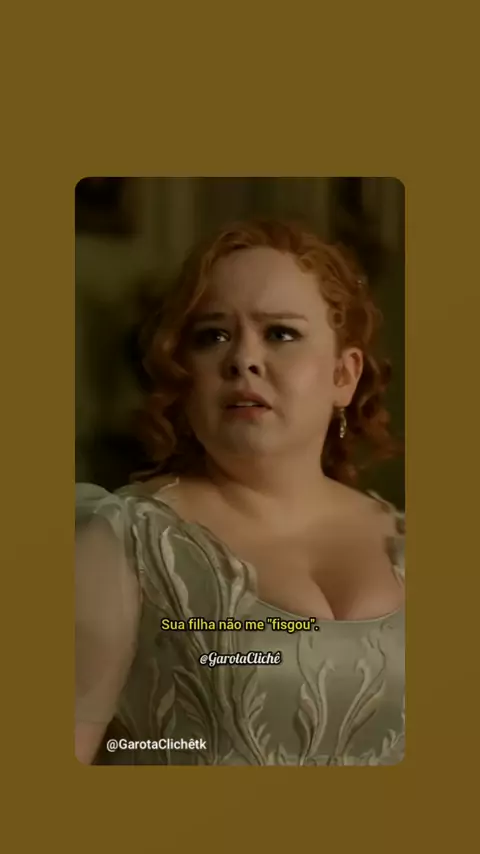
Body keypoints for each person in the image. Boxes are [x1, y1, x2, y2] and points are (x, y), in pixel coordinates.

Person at [75, 219, 405, 766]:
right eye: (213, 336)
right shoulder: (122, 542)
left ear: (343, 376)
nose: (242, 359)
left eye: (280, 333)